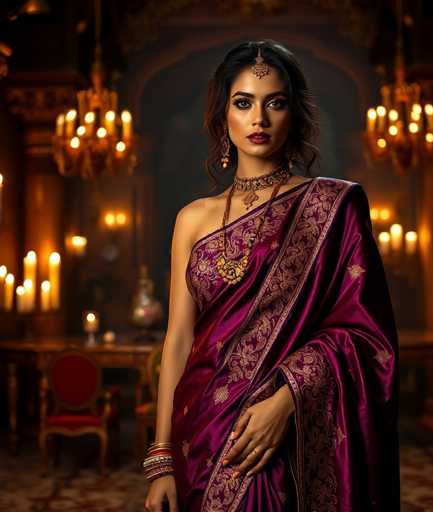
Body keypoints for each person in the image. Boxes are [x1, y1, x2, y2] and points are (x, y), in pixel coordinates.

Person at [144, 39, 400, 512]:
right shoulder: (192, 219)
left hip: (281, 433)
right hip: (198, 433)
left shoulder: (332, 206)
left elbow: (366, 336)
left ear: (294, 114)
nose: (258, 119)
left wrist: (287, 400)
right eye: (243, 103)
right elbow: (178, 339)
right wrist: (161, 457)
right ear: (224, 116)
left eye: (275, 103)